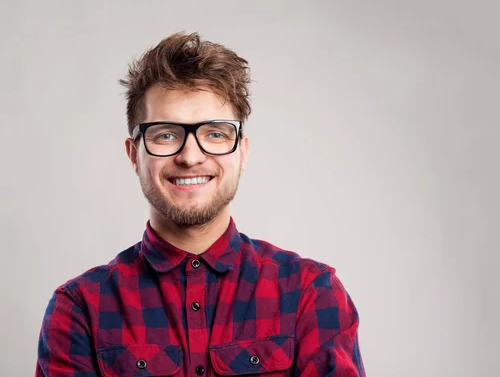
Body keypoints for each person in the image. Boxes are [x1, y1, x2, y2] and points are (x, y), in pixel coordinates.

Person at [35, 32, 366, 376]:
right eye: (165, 134)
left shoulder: (310, 294)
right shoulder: (80, 309)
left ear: (242, 152)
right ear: (134, 156)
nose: (190, 157)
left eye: (215, 134)